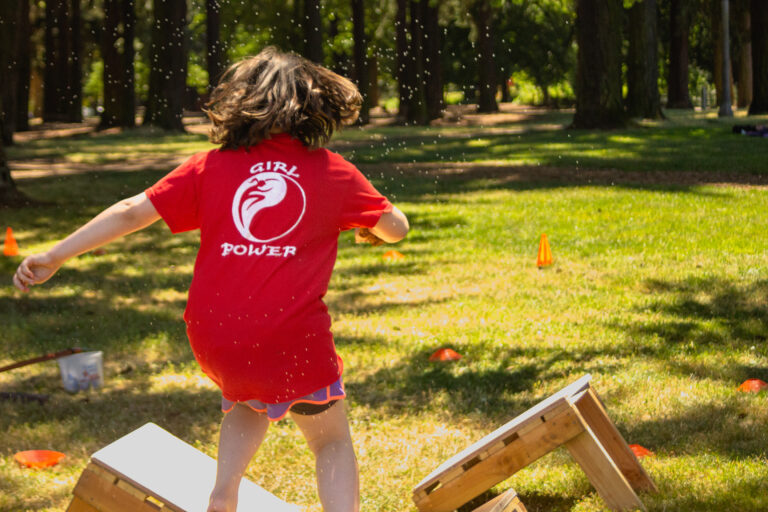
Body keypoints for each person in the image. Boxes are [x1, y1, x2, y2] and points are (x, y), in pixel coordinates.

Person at [12, 46, 409, 512]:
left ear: (241, 102)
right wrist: (368, 223)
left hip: (216, 334)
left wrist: (55, 255)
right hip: (290, 334)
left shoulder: (211, 165)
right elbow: (396, 228)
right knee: (329, 439)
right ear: (311, 105)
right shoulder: (333, 171)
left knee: (245, 399)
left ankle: (222, 497)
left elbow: (130, 211)